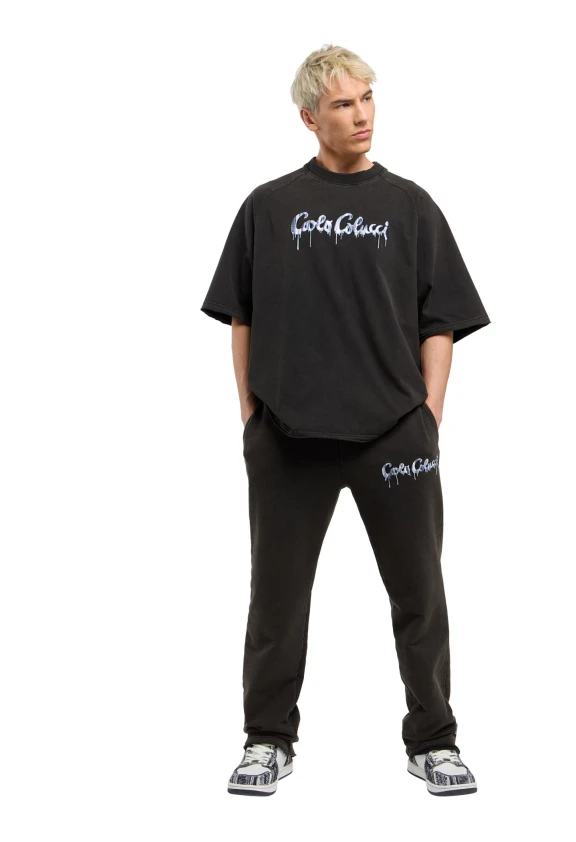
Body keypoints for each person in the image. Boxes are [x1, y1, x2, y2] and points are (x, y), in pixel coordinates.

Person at [201, 44, 491, 797]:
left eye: (367, 99)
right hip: (287, 438)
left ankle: (433, 741)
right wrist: (251, 417)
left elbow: (439, 320)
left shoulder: (410, 206)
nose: (361, 116)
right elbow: (241, 315)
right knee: (276, 598)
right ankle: (267, 740)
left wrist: (427, 415)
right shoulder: (268, 207)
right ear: (308, 118)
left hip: (394, 435)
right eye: (342, 104)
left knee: (419, 594)